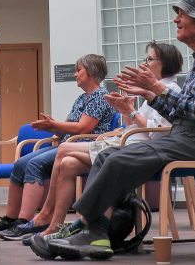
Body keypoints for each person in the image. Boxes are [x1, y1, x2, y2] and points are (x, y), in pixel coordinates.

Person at [38, 0, 195, 261]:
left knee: (118, 158)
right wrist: (151, 93)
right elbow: (181, 111)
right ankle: (95, 233)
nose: (176, 19)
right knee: (107, 156)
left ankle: (82, 228)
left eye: (182, 14)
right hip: (189, 135)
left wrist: (156, 87)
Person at [21, 42, 183, 244]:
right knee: (67, 164)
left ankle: (48, 219)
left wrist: (130, 112)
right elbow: (135, 125)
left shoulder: (169, 91)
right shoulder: (154, 89)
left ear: (164, 63)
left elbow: (154, 133)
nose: (145, 64)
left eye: (149, 59)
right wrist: (126, 109)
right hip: (125, 140)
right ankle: (55, 225)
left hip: (133, 147)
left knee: (63, 149)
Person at [0, 54, 115, 241]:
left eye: (79, 70)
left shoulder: (100, 97)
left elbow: (84, 128)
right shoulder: (82, 98)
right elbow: (66, 128)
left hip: (81, 145)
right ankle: (11, 219)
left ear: (91, 72)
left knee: (35, 164)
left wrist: (56, 124)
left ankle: (26, 221)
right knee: (21, 164)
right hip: (67, 143)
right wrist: (51, 126)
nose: (75, 74)